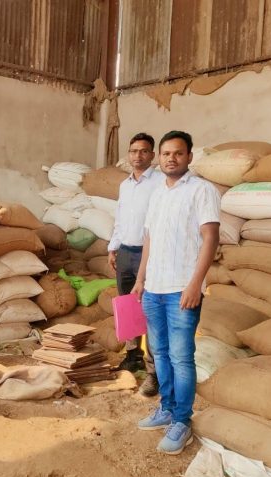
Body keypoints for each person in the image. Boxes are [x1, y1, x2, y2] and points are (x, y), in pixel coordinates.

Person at [133, 131, 220, 454]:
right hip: (153, 288)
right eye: (166, 153)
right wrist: (141, 279)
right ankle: (167, 408)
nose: (171, 158)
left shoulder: (202, 190)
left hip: (181, 289)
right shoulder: (158, 193)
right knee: (160, 353)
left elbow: (210, 238)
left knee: (182, 357)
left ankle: (182, 420)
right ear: (160, 157)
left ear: (189, 157)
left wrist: (196, 283)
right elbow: (149, 240)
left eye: (178, 153)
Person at [108, 132, 161, 396]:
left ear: (152, 155)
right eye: (133, 151)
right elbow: (120, 219)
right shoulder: (125, 185)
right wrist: (113, 246)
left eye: (143, 151)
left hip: (148, 253)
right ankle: (132, 357)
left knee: (149, 309)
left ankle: (153, 372)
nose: (137, 155)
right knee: (129, 307)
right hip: (126, 252)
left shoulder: (161, 182)